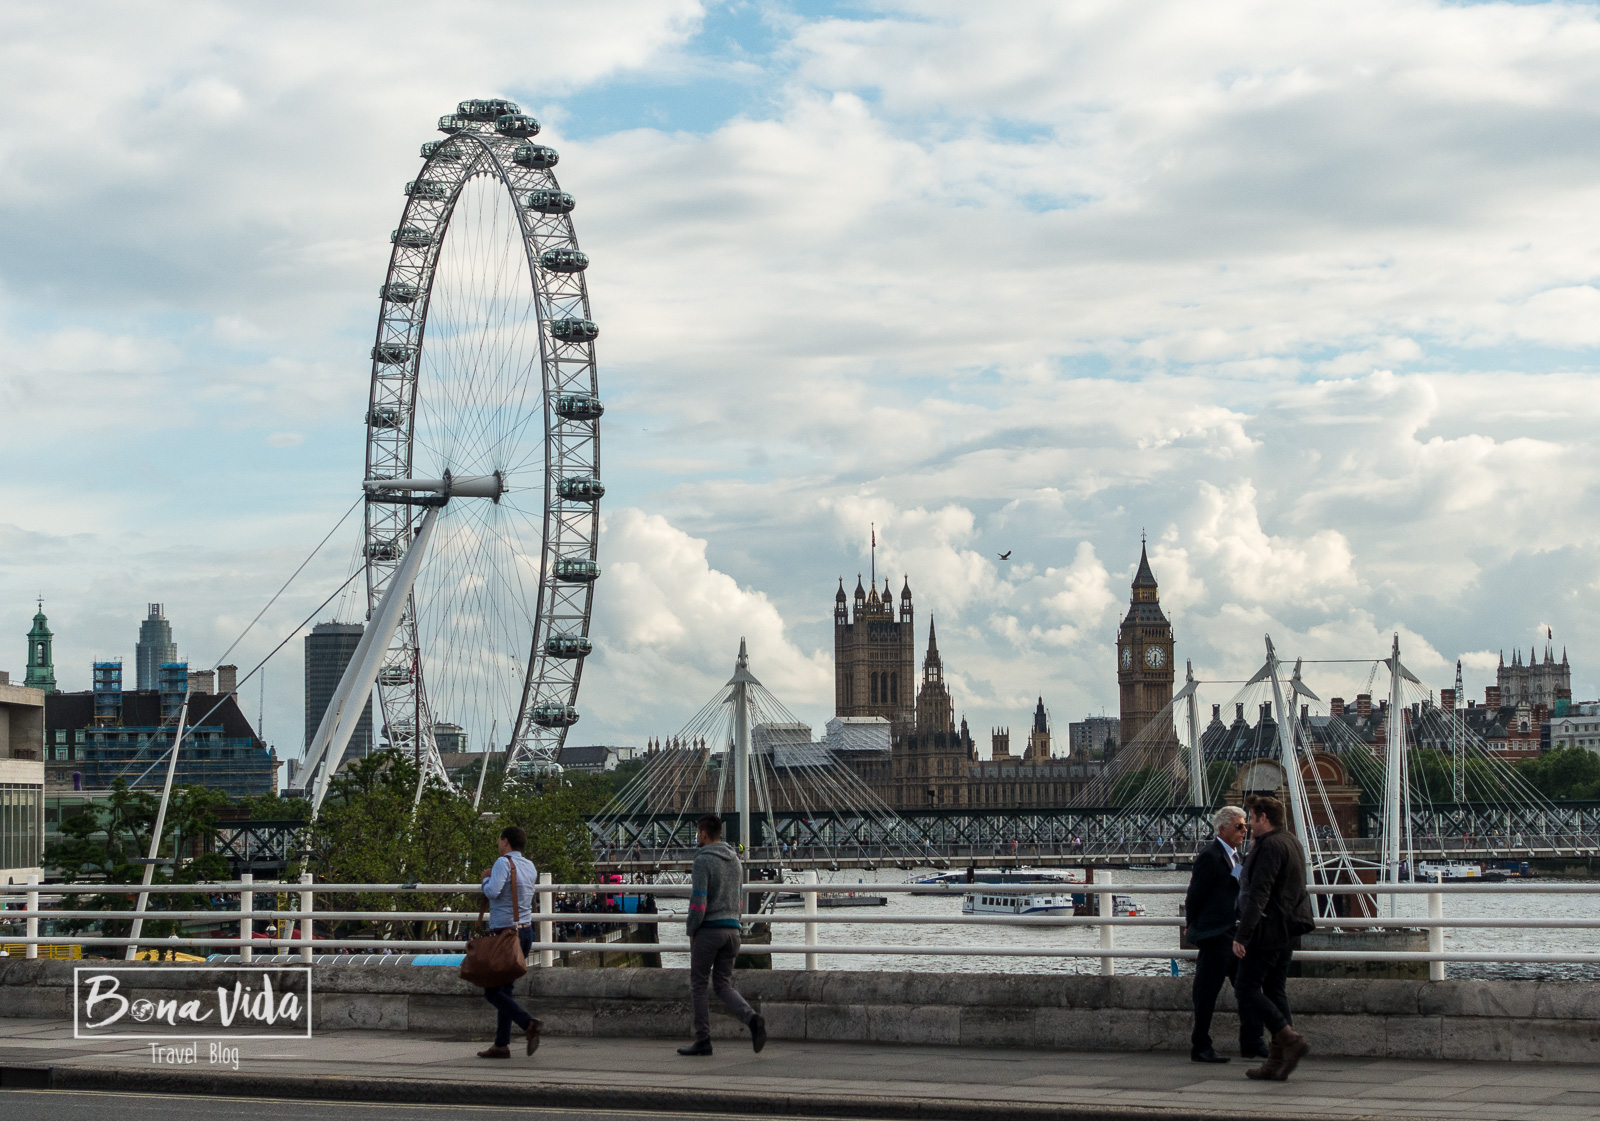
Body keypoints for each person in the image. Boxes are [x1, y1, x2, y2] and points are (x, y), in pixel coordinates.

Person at [1232, 795, 1315, 1081]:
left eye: (1252, 818)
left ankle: (1289, 1038)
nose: (1250, 824)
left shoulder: (1269, 846)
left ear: (1263, 818)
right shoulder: (1291, 841)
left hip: (1267, 929)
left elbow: (1260, 893)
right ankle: (1277, 1060)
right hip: (1288, 927)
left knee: (1246, 987)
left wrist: (1243, 934)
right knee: (1275, 989)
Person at [676, 813, 766, 1056]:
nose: (697, 836)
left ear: (704, 833)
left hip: (709, 931)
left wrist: (691, 929)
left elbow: (699, 901)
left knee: (698, 984)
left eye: (698, 832)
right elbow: (738, 898)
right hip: (733, 931)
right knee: (723, 984)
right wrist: (736, 922)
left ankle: (703, 1040)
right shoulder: (735, 860)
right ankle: (751, 1018)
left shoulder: (703, 860)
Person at [1183, 805, 1263, 1063]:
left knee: (1247, 986)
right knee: (1207, 992)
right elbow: (1195, 895)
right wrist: (1193, 926)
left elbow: (1234, 889)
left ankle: (1252, 1040)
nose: (1244, 831)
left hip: (1232, 933)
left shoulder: (1235, 857)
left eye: (1245, 826)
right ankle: (1200, 1046)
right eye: (1239, 826)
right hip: (1215, 934)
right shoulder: (1210, 856)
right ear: (1223, 828)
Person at [476, 825, 541, 1060]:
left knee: (492, 991)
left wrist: (485, 879)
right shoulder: (529, 865)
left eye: (499, 840)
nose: (498, 844)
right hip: (525, 933)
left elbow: (492, 892)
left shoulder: (502, 863)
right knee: (506, 989)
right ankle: (501, 1045)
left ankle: (528, 1023)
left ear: (506, 841)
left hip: (505, 935)